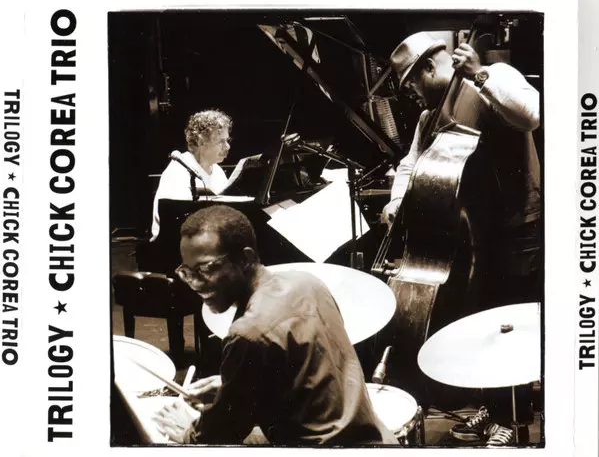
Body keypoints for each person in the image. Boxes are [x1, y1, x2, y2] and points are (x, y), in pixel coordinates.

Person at [152, 205, 397, 445]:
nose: (196, 283)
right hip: (375, 439)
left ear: (246, 258)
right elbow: (308, 374)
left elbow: (219, 435)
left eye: (206, 269)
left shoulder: (248, 333)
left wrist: (187, 432)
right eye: (188, 272)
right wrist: (233, 384)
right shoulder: (308, 283)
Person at [381, 32, 541, 305]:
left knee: (513, 310)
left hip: (516, 232)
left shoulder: (495, 76)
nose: (412, 95)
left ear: (429, 67)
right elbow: (411, 163)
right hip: (469, 238)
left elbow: (532, 116)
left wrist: (479, 75)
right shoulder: (429, 117)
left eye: (412, 85)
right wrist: (396, 199)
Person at [150, 110, 232, 241]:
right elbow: (176, 224)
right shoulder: (178, 171)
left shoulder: (217, 171)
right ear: (200, 142)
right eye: (221, 142)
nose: (227, 146)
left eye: (227, 140)